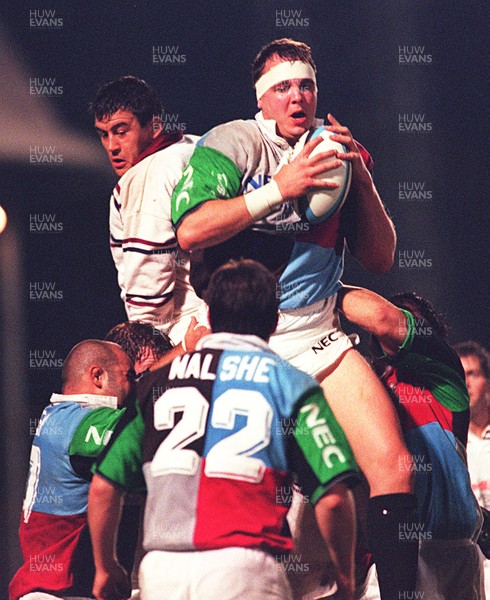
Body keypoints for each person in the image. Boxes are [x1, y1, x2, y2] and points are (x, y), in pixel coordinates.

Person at [171, 38, 417, 599]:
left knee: (394, 464)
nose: (297, 96)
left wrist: (363, 179)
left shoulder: (336, 149)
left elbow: (379, 259)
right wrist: (278, 190)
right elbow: (191, 230)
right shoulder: (230, 143)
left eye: (305, 84)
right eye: (283, 86)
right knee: (263, 501)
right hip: (248, 341)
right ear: (263, 100)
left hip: (318, 335)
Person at [88, 259, 359, 600]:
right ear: (274, 321)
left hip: (162, 571)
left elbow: (102, 488)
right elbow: (333, 498)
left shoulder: (156, 383)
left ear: (211, 320)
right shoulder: (291, 383)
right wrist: (346, 578)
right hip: (245, 567)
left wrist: (105, 565)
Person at [337, 287, 485, 600]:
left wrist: (319, 290)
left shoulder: (445, 375)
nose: (397, 324)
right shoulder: (362, 382)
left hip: (450, 550)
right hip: (387, 552)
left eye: (409, 318)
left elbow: (381, 319)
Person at [9, 340, 135, 600]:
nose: (134, 385)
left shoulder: (60, 416)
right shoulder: (81, 421)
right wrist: (180, 360)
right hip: (59, 592)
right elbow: (145, 427)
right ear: (98, 376)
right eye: (130, 376)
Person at [89, 75, 205, 345]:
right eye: (103, 134)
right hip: (239, 311)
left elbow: (148, 287)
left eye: (121, 130)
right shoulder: (197, 145)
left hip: (187, 331)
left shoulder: (144, 176)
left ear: (154, 126)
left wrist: (147, 347)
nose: (111, 146)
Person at [453, 340, 490, 597]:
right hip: (469, 572)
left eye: (472, 374)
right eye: (459, 375)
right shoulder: (449, 443)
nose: (465, 383)